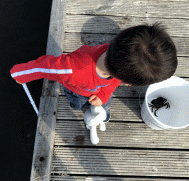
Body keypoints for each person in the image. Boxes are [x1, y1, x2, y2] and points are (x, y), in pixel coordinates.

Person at [10, 22, 177, 122]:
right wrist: (20, 74)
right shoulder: (70, 69)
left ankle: (103, 107)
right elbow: (45, 66)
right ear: (128, 82)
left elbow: (113, 82)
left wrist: (103, 96)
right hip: (78, 89)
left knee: (105, 101)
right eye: (130, 83)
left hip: (103, 86)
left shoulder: (118, 56)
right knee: (78, 104)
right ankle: (81, 106)